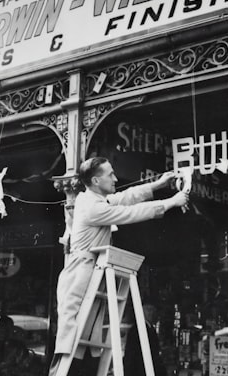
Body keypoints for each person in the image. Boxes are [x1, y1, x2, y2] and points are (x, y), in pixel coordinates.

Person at [50, 157, 189, 375]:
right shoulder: (91, 207)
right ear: (96, 180)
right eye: (110, 174)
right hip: (80, 278)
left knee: (85, 343)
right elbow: (130, 213)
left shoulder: (94, 200)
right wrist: (171, 202)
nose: (115, 178)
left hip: (91, 275)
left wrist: (158, 184)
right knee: (72, 343)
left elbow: (126, 197)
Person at [124, 303, 167, 376]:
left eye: (153, 310)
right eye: (148, 310)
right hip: (140, 369)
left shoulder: (150, 329)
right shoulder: (138, 329)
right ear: (142, 312)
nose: (151, 313)